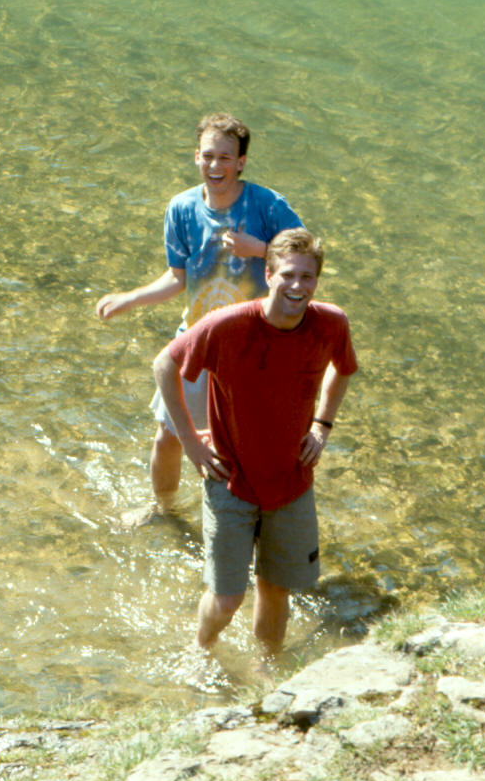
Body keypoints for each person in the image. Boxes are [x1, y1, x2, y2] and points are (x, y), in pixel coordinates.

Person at [153, 228, 358, 655]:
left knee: (275, 588)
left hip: (292, 482)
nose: (297, 286)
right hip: (230, 480)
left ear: (317, 280)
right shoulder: (228, 326)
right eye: (287, 275)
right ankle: (201, 647)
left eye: (307, 277)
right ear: (268, 274)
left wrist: (322, 425)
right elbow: (163, 366)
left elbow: (344, 368)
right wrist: (190, 441)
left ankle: (267, 667)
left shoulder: (331, 323)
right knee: (228, 598)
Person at [96, 113, 302, 522]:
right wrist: (130, 299)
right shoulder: (182, 208)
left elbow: (303, 259)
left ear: (241, 162)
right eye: (208, 156)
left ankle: (258, 516)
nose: (215, 166)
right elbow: (178, 278)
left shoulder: (267, 205)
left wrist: (258, 249)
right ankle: (163, 510)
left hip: (254, 344)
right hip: (197, 339)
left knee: (252, 442)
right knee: (169, 434)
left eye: (225, 157)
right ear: (196, 157)